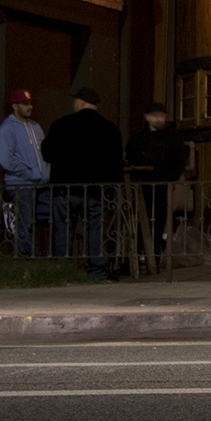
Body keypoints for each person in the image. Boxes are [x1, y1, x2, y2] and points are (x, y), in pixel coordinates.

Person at [41, 87, 124, 280]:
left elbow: (47, 153)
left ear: (79, 102)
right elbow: (115, 163)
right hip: (94, 190)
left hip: (64, 189)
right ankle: (96, 271)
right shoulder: (110, 128)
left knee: (63, 230)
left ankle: (64, 272)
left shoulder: (61, 125)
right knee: (94, 230)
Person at [125, 102, 194, 256]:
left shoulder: (172, 138)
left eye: (162, 116)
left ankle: (154, 256)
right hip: (142, 186)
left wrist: (168, 178)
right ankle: (138, 254)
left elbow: (178, 162)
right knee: (140, 223)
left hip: (162, 186)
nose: (160, 119)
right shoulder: (139, 138)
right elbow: (131, 157)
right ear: (147, 118)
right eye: (156, 116)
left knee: (158, 223)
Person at [0, 89, 49, 258]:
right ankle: (27, 259)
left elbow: (44, 152)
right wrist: (28, 173)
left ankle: (41, 256)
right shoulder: (7, 129)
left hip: (41, 183)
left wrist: (45, 172)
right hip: (21, 184)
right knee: (25, 222)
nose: (29, 107)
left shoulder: (35, 126)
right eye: (25, 104)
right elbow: (6, 160)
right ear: (15, 106)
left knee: (46, 218)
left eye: (30, 103)